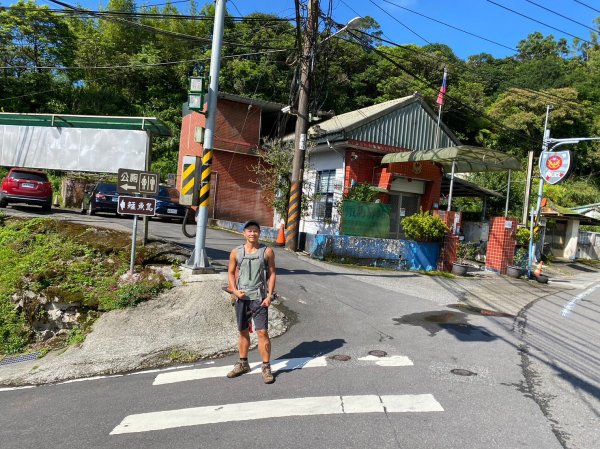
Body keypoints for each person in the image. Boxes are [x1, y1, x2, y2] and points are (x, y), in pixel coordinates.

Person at [227, 220, 276, 384]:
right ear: (244, 233)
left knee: (262, 332)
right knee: (242, 331)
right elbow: (231, 272)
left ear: (259, 233)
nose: (252, 233)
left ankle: (266, 366)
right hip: (242, 298)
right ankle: (243, 363)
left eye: (255, 230)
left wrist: (269, 296)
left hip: (259, 298)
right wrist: (234, 290)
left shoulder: (267, 252)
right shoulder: (236, 252)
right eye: (249, 230)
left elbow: (272, 273)